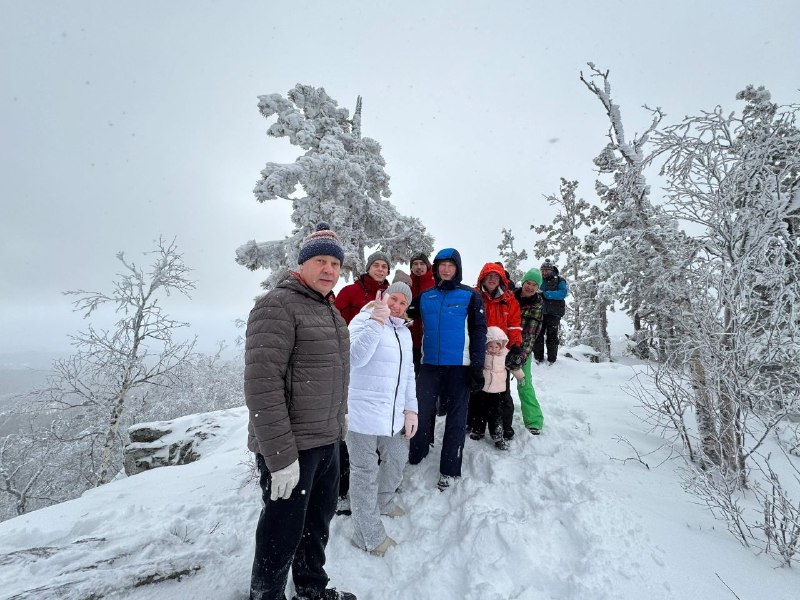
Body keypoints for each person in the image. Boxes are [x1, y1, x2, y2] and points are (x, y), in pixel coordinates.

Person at [245, 223, 356, 600]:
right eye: (320, 261)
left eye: (335, 264)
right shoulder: (277, 305)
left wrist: (339, 422)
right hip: (292, 447)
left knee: (316, 526)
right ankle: (266, 596)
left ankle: (311, 589)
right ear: (303, 264)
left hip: (326, 441)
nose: (329, 270)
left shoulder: (327, 308)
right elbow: (262, 387)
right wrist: (280, 458)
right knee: (282, 530)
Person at [346, 282, 418, 557]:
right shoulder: (363, 319)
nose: (397, 306)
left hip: (393, 415)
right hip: (362, 415)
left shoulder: (404, 333)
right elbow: (353, 359)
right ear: (384, 297)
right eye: (394, 299)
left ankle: (384, 501)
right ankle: (368, 536)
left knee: (398, 457)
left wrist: (411, 410)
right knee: (364, 474)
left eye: (403, 303)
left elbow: (409, 374)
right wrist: (376, 322)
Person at [407, 248, 487, 491]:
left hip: (458, 367)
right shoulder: (426, 296)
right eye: (442, 264)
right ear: (436, 268)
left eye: (451, 265)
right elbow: (402, 314)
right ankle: (416, 455)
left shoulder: (470, 296)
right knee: (420, 410)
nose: (446, 269)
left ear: (457, 268)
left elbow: (479, 332)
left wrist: (476, 366)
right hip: (429, 364)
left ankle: (450, 469)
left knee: (456, 418)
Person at [334, 251, 391, 514]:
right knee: (352, 428)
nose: (380, 269)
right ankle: (342, 490)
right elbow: (333, 318)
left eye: (384, 266)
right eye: (376, 265)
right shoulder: (350, 291)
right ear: (368, 268)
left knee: (373, 427)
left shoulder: (390, 294)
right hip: (352, 363)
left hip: (378, 368)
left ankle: (368, 486)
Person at [468, 262, 524, 442]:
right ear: (482, 278)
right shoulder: (474, 296)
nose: (492, 279)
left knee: (502, 391)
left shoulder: (510, 300)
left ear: (501, 280)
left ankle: (504, 427)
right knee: (478, 389)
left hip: (501, 353)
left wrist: (515, 347)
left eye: (496, 276)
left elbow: (515, 325)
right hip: (479, 351)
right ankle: (475, 424)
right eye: (488, 276)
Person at [473, 326, 524, 451]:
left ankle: (497, 435)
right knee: (479, 410)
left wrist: (521, 377)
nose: (493, 350)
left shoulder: (505, 355)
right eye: (490, 346)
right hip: (483, 389)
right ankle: (478, 430)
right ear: (485, 345)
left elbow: (514, 367)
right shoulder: (482, 355)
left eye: (496, 347)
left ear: (501, 346)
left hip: (497, 391)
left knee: (495, 413)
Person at [515, 268, 545, 434]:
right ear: (523, 282)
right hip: (501, 346)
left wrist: (521, 356)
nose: (530, 287)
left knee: (524, 383)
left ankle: (534, 421)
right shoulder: (511, 297)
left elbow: (531, 334)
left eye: (534, 284)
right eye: (528, 283)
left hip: (523, 349)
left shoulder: (537, 305)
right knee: (497, 384)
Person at [534, 259, 569, 364]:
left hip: (554, 313)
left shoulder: (559, 280)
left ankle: (552, 359)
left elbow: (563, 293)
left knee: (552, 336)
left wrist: (547, 294)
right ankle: (538, 358)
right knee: (538, 335)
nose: (544, 272)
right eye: (543, 270)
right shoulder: (538, 280)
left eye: (546, 270)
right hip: (539, 312)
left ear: (552, 270)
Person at [408, 253, 435, 375]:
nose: (419, 267)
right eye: (415, 264)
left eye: (422, 263)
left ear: (428, 266)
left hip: (432, 343)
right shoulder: (407, 285)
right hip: (410, 344)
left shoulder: (436, 285)